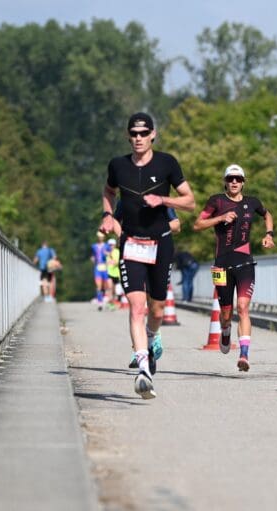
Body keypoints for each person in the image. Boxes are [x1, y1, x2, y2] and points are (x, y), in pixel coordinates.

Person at [99, 112, 195, 399]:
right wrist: (107, 214)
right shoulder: (118, 165)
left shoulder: (167, 163)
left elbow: (190, 202)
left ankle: (152, 340)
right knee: (137, 307)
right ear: (128, 136)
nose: (138, 138)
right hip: (130, 243)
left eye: (144, 133)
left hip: (161, 242)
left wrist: (163, 199)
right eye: (134, 134)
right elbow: (108, 190)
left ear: (153, 134)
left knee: (156, 310)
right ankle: (143, 370)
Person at [193, 164, 274, 371]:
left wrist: (268, 234)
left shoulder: (252, 202)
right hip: (221, 266)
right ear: (225, 181)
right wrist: (221, 218)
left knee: (243, 307)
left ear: (244, 182)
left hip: (245, 262)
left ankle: (244, 355)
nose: (234, 182)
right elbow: (197, 224)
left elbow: (267, 215)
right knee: (226, 313)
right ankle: (226, 331)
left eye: (238, 179)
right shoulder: (216, 201)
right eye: (230, 179)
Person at [91, 232, 111, 311]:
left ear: (104, 238)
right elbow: (93, 255)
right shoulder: (94, 246)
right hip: (97, 267)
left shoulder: (106, 246)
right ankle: (100, 302)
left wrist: (107, 254)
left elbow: (110, 254)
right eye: (99, 237)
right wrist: (92, 258)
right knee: (98, 285)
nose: (100, 238)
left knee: (105, 286)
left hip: (104, 267)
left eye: (102, 237)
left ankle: (105, 299)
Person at [106, 238, 121, 310]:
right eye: (109, 245)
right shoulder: (107, 252)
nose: (111, 246)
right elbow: (105, 262)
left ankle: (113, 302)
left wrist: (110, 257)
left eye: (112, 245)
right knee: (110, 288)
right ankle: (110, 303)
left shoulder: (117, 252)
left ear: (114, 245)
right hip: (109, 272)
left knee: (114, 290)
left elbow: (116, 262)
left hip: (116, 273)